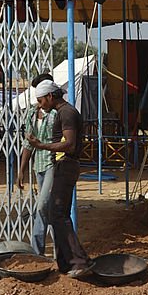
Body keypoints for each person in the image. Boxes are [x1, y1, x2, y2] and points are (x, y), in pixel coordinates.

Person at [26, 80, 94, 278]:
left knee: (58, 214)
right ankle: (65, 263)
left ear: (50, 96)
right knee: (57, 214)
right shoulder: (63, 112)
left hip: (66, 165)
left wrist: (41, 145)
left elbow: (70, 145)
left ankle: (80, 261)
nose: (40, 104)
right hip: (62, 166)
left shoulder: (66, 113)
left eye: (41, 100)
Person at [16, 73, 58, 256]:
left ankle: (39, 251)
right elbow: (28, 144)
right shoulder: (32, 113)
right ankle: (52, 251)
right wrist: (21, 170)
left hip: (53, 164)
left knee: (42, 206)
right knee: (49, 208)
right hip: (38, 166)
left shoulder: (57, 113)